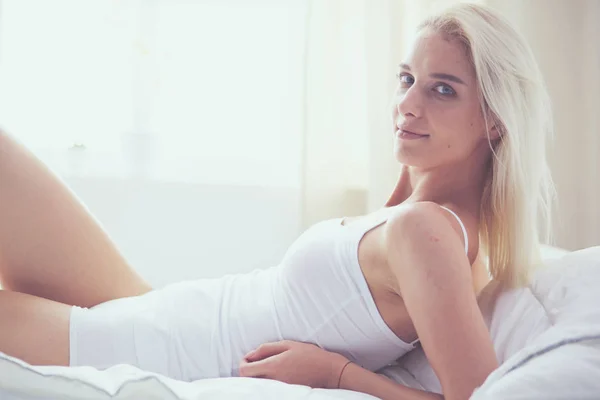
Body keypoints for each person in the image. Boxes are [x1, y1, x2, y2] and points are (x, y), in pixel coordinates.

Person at [0, 3, 554, 400]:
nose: (407, 105)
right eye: (406, 78)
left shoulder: (427, 233)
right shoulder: (420, 206)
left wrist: (335, 375)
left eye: (443, 89)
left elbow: (477, 397)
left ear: (496, 121)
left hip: (149, 348)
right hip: (158, 307)